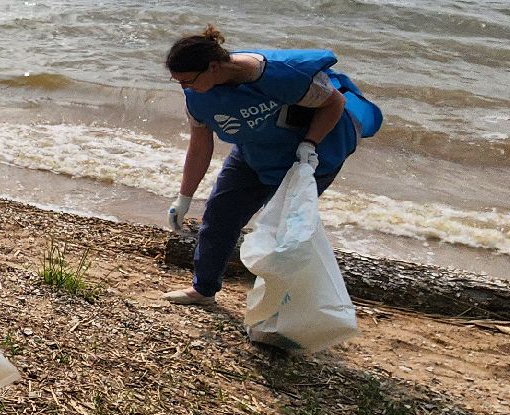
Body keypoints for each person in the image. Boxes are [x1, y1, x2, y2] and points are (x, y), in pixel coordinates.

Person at [161, 26, 383, 306]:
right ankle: (203, 289)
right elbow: (200, 146)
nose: (184, 88)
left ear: (214, 68)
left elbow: (334, 103)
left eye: (187, 81)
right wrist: (184, 198)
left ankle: (278, 305)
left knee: (284, 232)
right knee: (220, 214)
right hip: (255, 153)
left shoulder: (280, 75)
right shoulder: (198, 95)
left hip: (312, 157)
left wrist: (309, 145)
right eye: (178, 82)